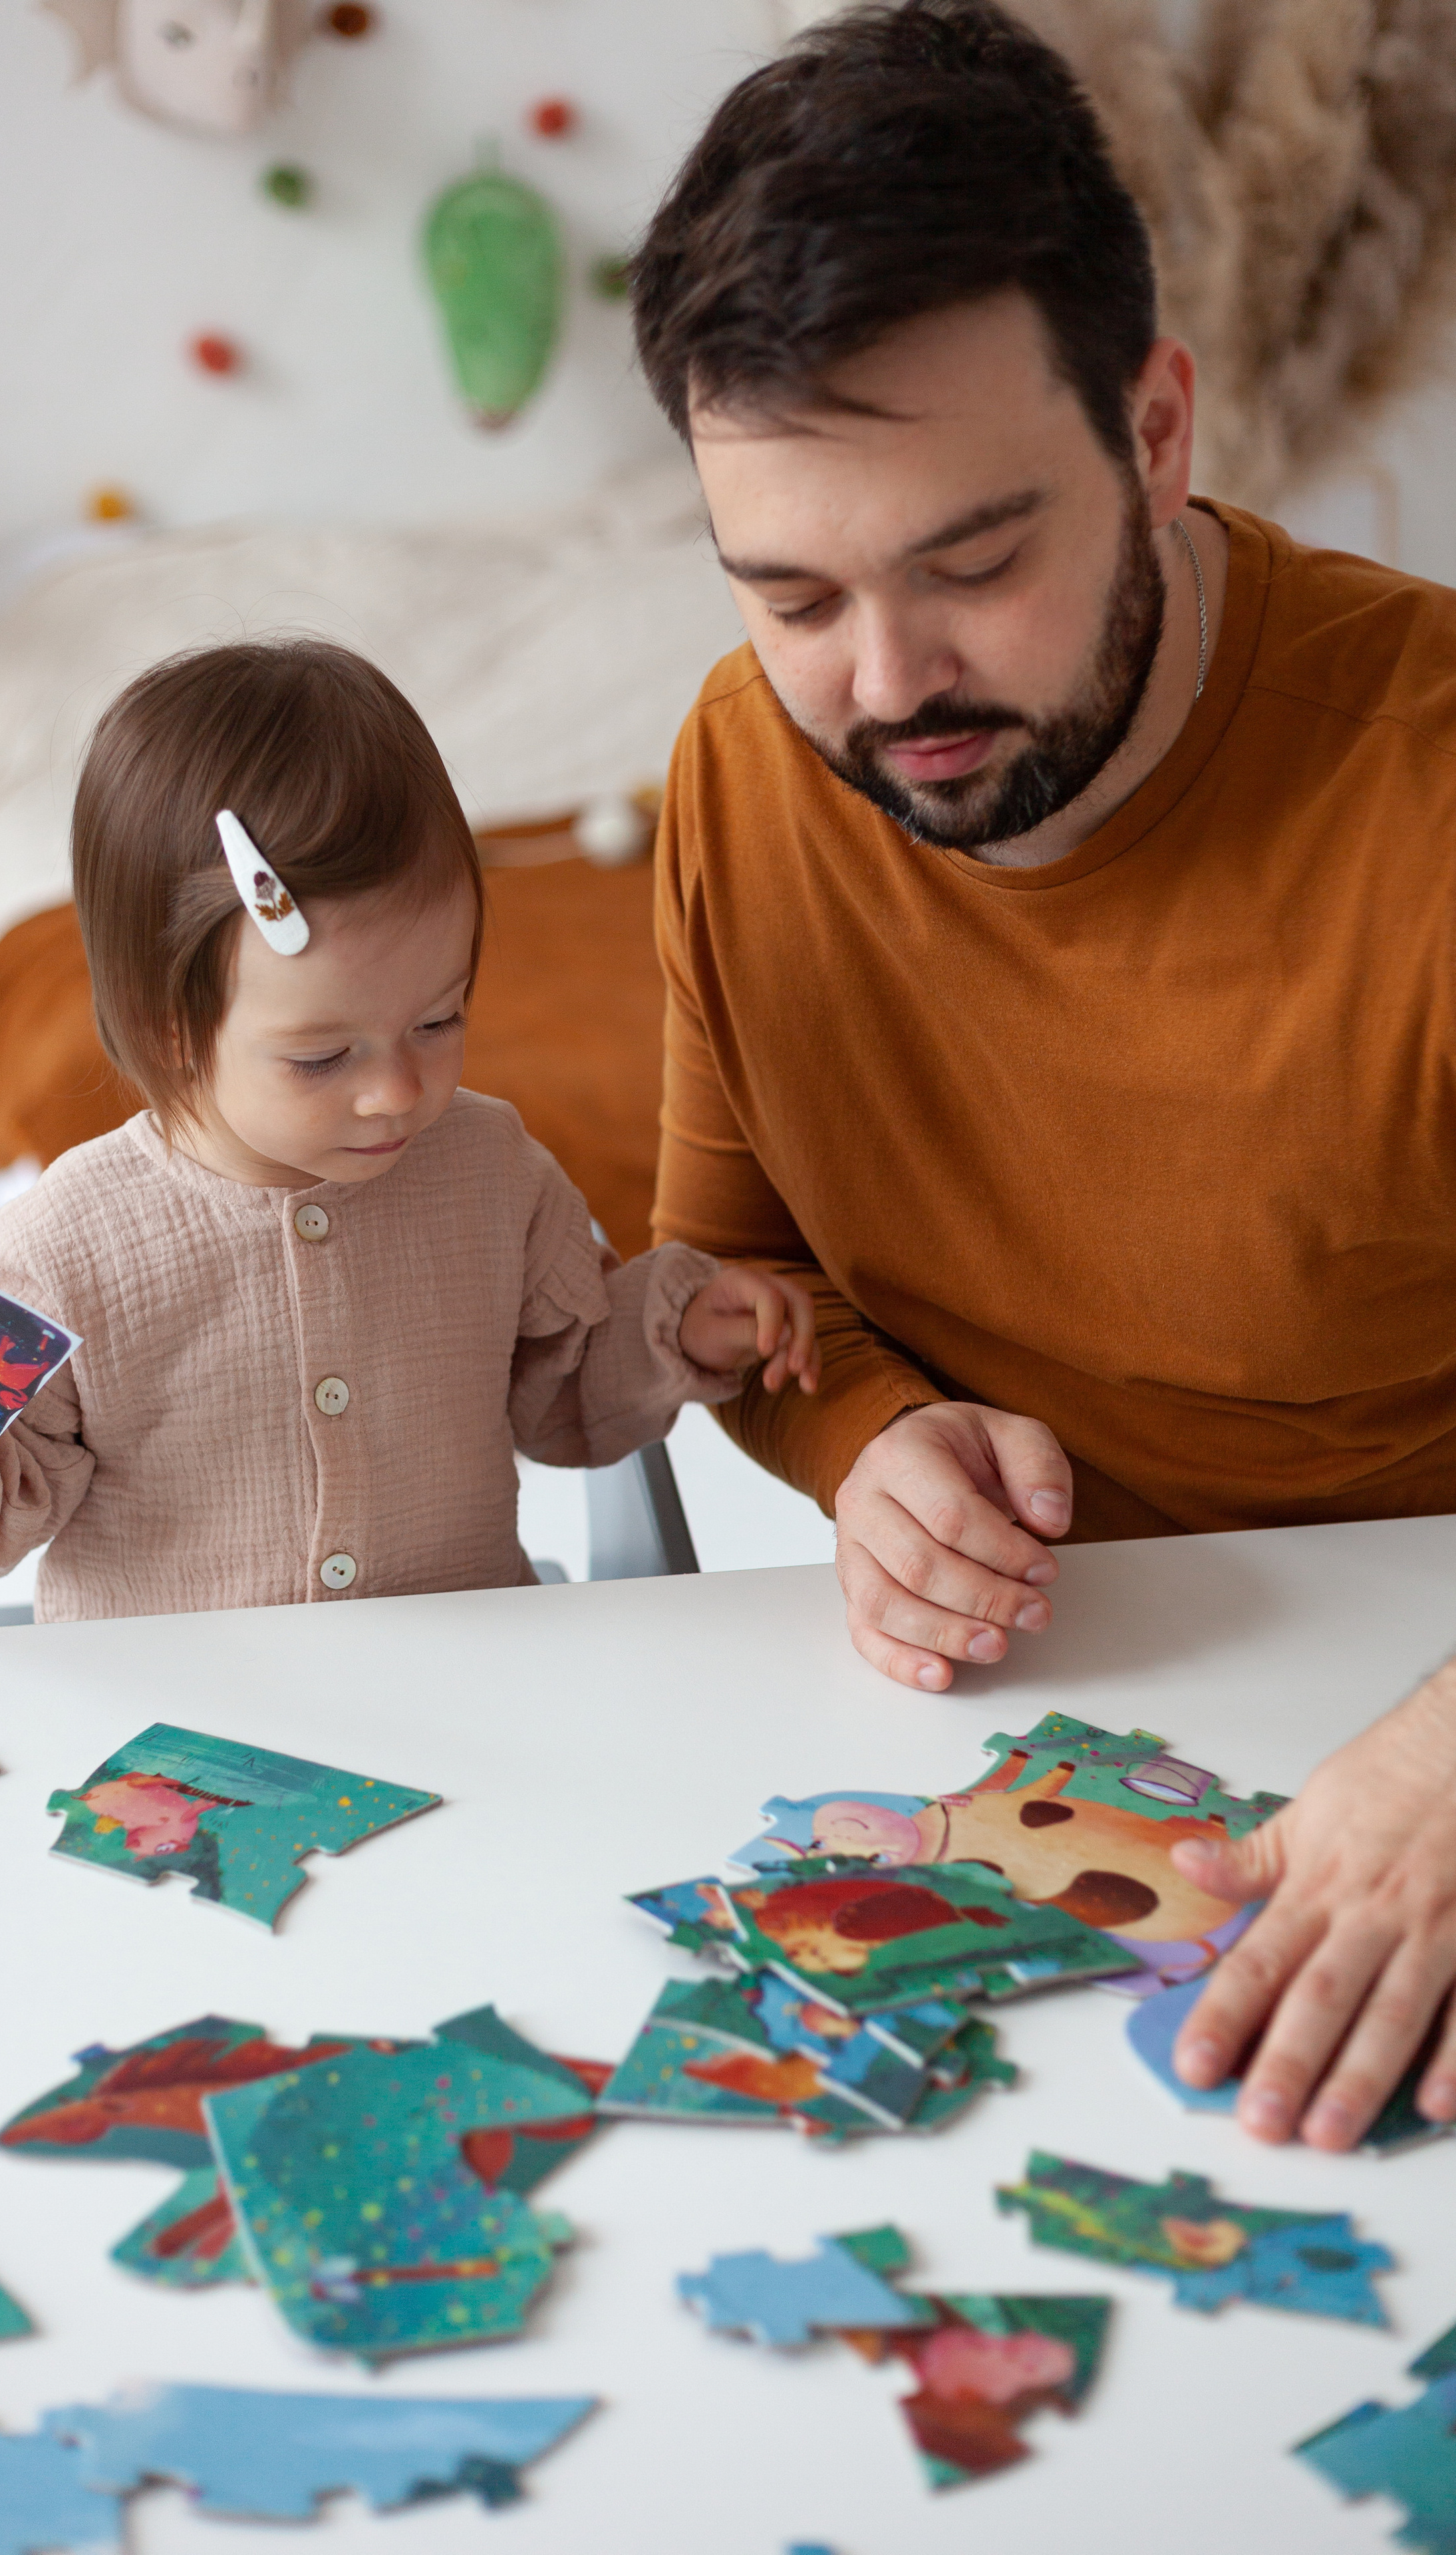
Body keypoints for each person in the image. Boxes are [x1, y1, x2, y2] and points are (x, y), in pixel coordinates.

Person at [630, 0, 1456, 2148]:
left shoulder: (1428, 789)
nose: (887, 687)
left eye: (974, 564)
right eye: (791, 594)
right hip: (1014, 1775)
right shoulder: (741, 769)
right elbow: (728, 1274)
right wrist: (872, 1446)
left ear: (1160, 434)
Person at [0, 640, 817, 1623]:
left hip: (468, 1678)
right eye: (322, 1057)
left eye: (440, 1019)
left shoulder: (493, 1171)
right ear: (170, 1028)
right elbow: (3, 1512)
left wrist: (673, 1329)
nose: (398, 1092)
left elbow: (563, 1391)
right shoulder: (60, 1250)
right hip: (179, 1736)